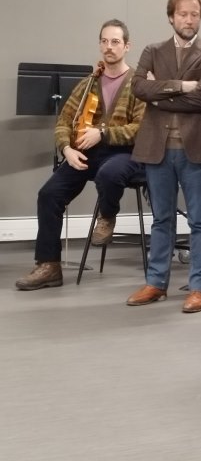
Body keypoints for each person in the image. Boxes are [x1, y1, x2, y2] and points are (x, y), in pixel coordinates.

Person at [15, 19, 146, 291]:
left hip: (124, 154)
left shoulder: (138, 84)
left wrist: (103, 132)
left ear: (127, 46)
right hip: (87, 153)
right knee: (48, 194)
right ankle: (49, 266)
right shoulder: (89, 83)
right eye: (104, 41)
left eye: (115, 42)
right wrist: (67, 149)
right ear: (100, 44)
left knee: (110, 174)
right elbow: (64, 121)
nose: (109, 47)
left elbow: (141, 128)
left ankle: (107, 216)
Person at [126, 0, 201, 313]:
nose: (189, 19)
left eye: (194, 14)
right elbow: (139, 87)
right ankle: (156, 283)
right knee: (161, 219)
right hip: (157, 148)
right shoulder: (153, 50)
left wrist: (160, 95)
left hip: (194, 149)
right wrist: (181, 86)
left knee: (199, 219)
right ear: (171, 16)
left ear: (200, 18)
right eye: (183, 13)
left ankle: (199, 287)